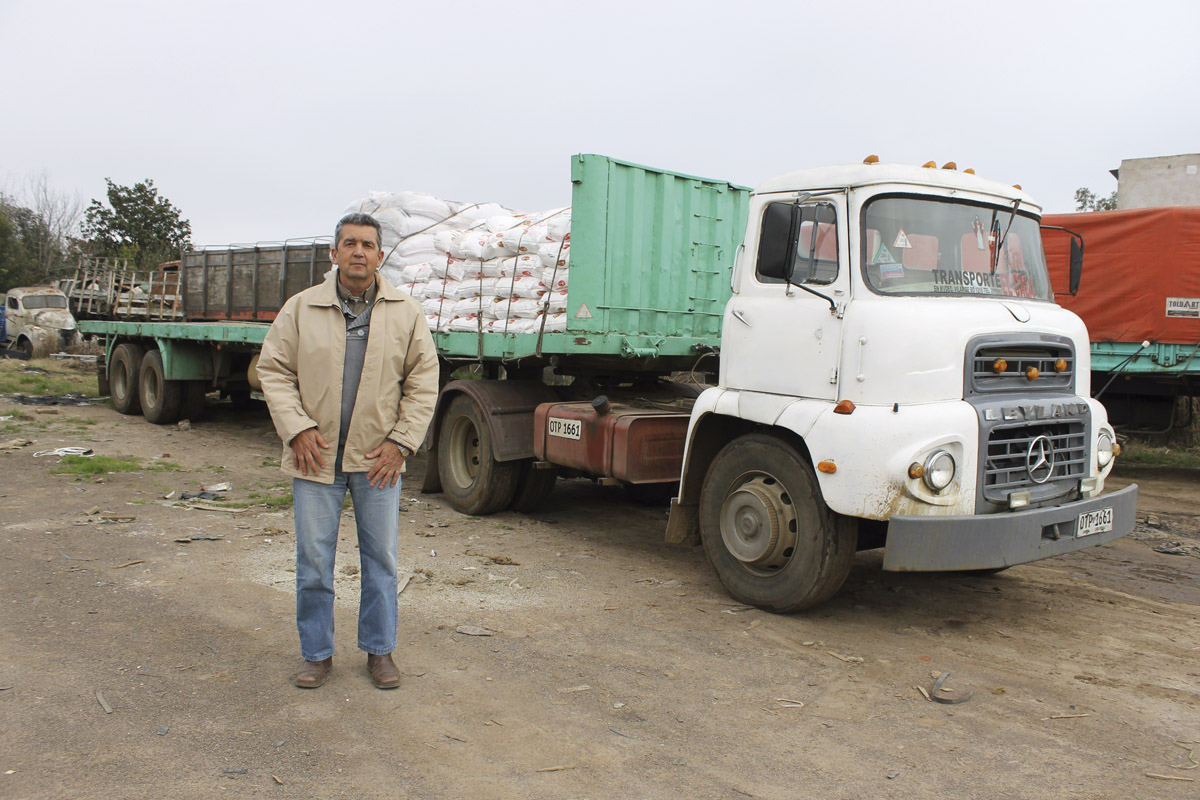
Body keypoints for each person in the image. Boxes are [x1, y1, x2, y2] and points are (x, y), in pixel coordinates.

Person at [257, 212, 439, 689]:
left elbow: (423, 382)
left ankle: (380, 652)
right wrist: (296, 429)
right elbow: (273, 370)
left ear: (381, 256)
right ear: (333, 253)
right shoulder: (301, 309)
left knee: (381, 560)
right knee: (314, 561)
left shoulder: (405, 312)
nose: (359, 252)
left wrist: (401, 444)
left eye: (368, 245)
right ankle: (316, 653)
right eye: (349, 243)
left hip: (377, 461)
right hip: (314, 457)